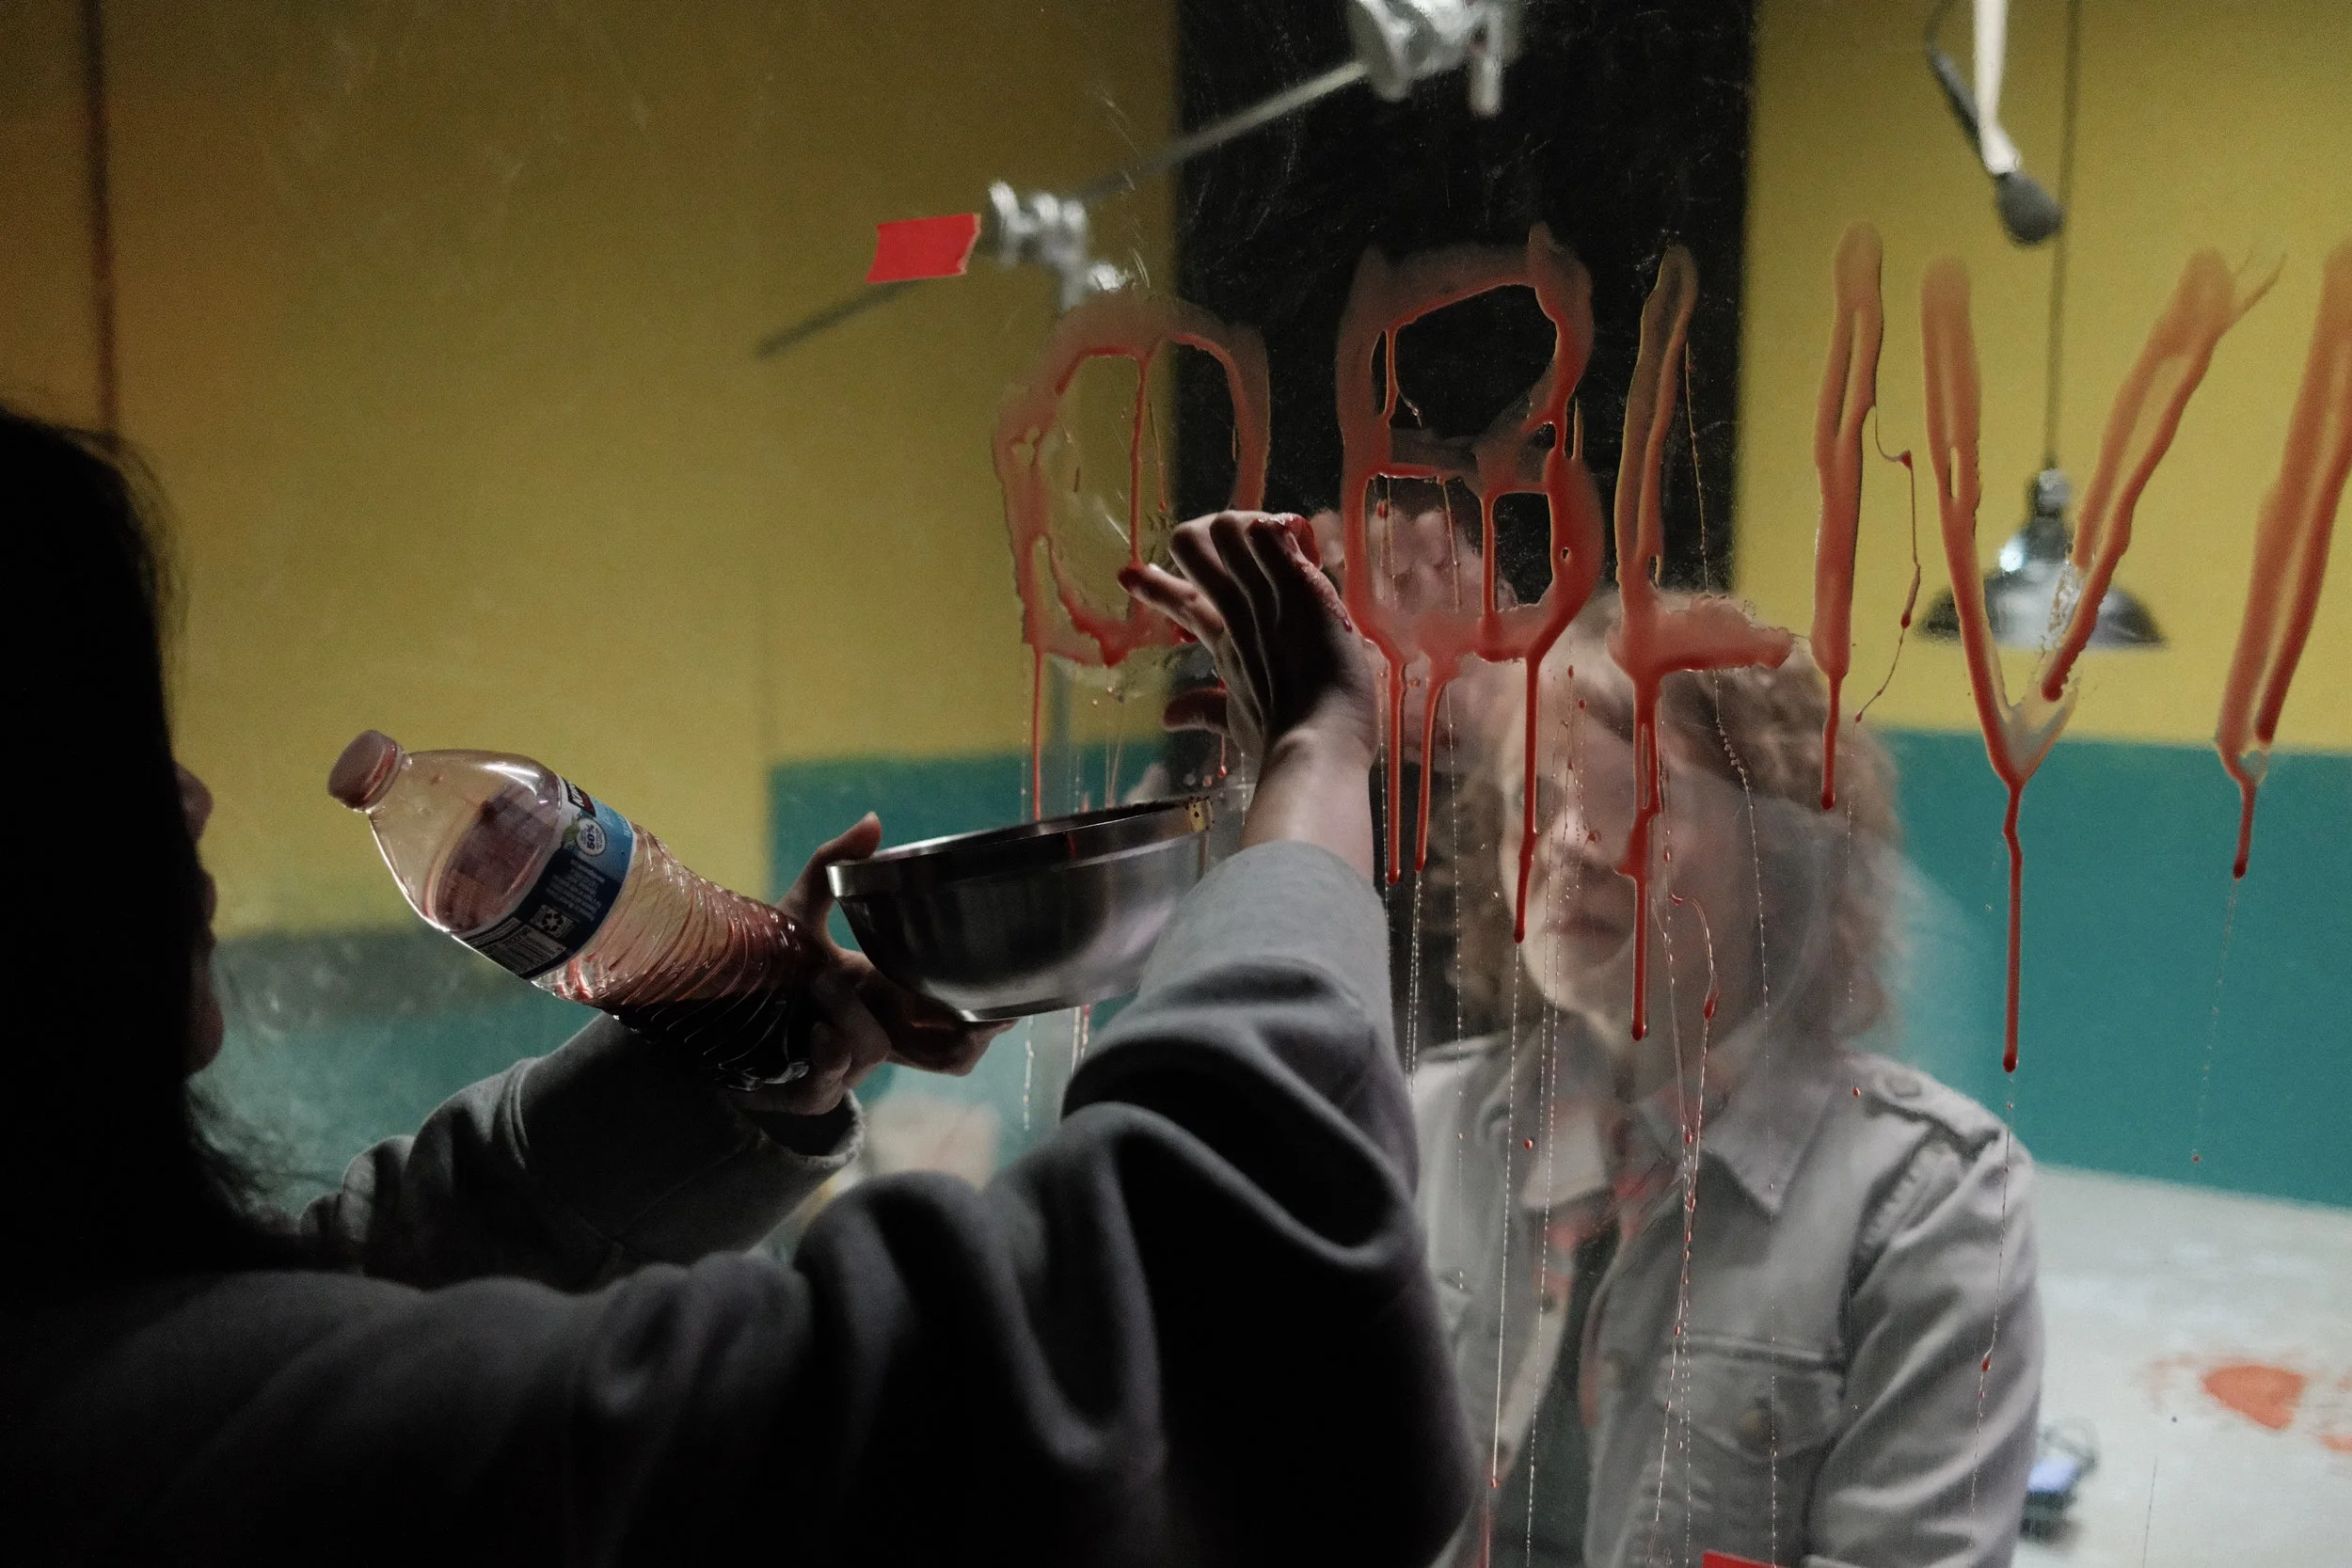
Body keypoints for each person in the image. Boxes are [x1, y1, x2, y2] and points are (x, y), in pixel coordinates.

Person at [0, 405, 1475, 1565]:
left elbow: (388, 1260)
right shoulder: (157, 1441)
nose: (186, 797)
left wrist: (749, 1049)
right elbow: (1168, 1352)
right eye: (110, 749)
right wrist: (1316, 764)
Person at [1409, 591, 2043, 1568]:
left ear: (1780, 852)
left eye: (1639, 797)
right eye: (1531, 798)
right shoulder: (1426, 1121)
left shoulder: (1932, 1203)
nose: (1568, 841)